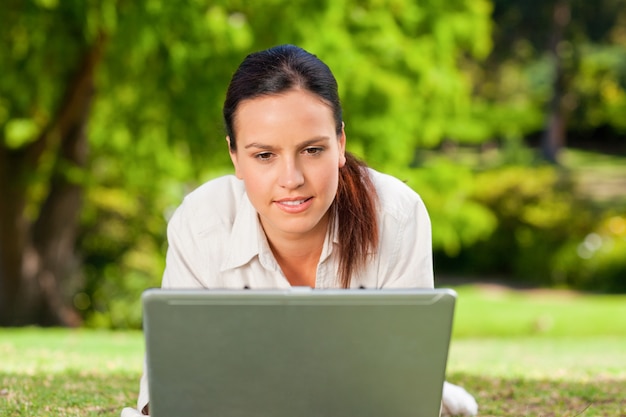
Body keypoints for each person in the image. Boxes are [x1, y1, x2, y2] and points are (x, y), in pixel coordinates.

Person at [121, 44, 478, 417]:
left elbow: (404, 393)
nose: (291, 179)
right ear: (235, 157)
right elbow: (171, 397)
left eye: (311, 150)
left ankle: (446, 396)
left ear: (340, 144)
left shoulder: (397, 215)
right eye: (264, 155)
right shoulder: (201, 222)